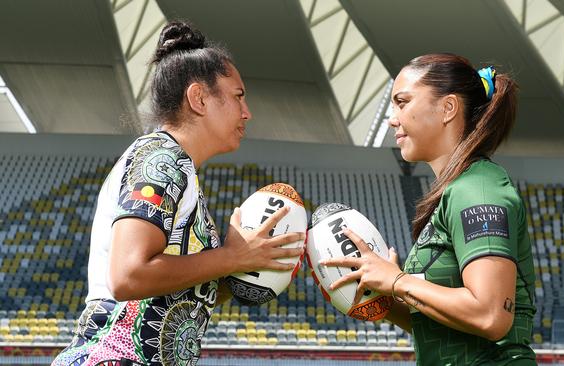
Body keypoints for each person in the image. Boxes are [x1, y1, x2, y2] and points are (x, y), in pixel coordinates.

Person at [52, 21, 304, 366]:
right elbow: (129, 275)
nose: (248, 112)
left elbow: (173, 292)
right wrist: (232, 257)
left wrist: (251, 268)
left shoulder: (177, 167)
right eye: (238, 97)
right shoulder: (161, 158)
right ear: (199, 98)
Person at [322, 53, 537, 365]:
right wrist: (386, 298)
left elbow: (491, 316)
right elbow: (450, 328)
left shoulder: (476, 190)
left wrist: (398, 281)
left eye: (403, 102)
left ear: (447, 108)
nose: (392, 118)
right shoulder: (457, 189)